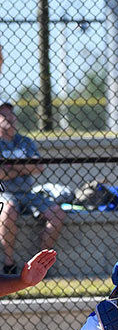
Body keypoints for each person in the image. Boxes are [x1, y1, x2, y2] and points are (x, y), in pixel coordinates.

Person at [0, 101, 65, 275]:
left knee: (57, 213)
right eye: (3, 115)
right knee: (9, 210)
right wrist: (25, 167)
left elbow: (39, 167)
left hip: (28, 193)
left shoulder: (25, 141)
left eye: (11, 114)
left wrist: (11, 167)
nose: (9, 118)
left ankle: (40, 264)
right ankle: (9, 263)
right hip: (4, 193)